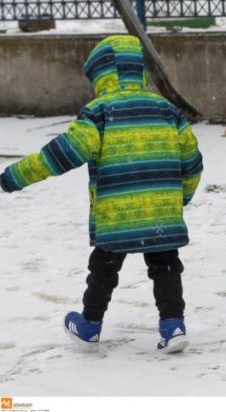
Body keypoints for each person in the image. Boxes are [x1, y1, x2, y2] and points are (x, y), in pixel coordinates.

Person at [0, 35, 203, 353]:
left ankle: (89, 325)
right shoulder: (167, 110)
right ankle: (173, 325)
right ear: (139, 70)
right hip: (162, 213)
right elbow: (192, 162)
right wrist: (179, 200)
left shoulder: (100, 111)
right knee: (165, 265)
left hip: (115, 213)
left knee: (104, 266)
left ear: (100, 75)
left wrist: (12, 177)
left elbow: (63, 153)